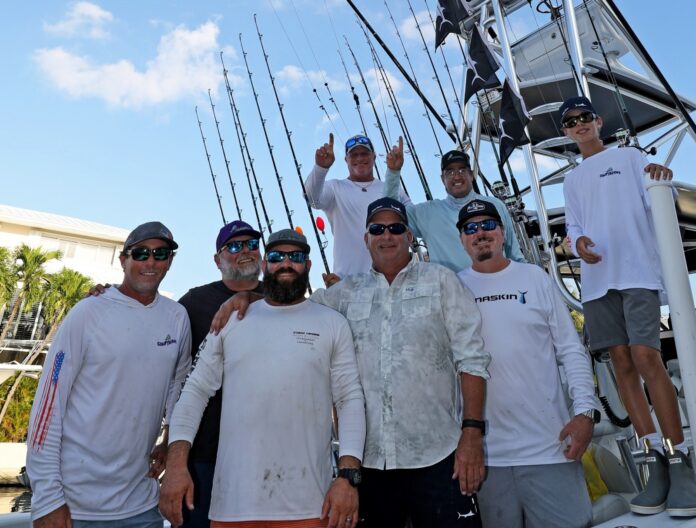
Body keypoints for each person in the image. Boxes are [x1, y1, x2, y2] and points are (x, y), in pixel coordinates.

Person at [211, 198, 490, 527]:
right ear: (366, 238)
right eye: (377, 228)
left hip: (438, 455)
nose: (387, 235)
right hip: (366, 465)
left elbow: (471, 360)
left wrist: (472, 435)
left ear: (409, 236)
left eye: (395, 228)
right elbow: (293, 304)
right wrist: (251, 297)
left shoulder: (443, 282)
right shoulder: (343, 294)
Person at [160, 229, 366, 528]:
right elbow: (195, 391)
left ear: (307, 265)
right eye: (276, 256)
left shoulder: (333, 323)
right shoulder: (230, 319)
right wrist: (177, 464)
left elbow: (349, 399)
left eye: (295, 257)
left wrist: (348, 477)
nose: (286, 263)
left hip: (310, 505)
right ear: (265, 264)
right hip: (231, 506)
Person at [561, 95, 696, 517]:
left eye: (585, 117)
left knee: (646, 357)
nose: (580, 124)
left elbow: (659, 184)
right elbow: (574, 226)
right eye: (571, 121)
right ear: (566, 131)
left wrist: (661, 173)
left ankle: (679, 460)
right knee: (620, 364)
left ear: (598, 122)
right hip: (598, 283)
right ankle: (653, 459)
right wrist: (579, 243)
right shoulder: (571, 179)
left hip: (636, 272)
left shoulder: (631, 156)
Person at [26, 221, 192, 528]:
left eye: (161, 253)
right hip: (77, 507)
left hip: (143, 505)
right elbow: (48, 407)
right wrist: (48, 498)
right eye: (141, 253)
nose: (150, 261)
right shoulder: (88, 312)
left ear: (170, 260)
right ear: (123, 260)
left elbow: (178, 390)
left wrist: (169, 441)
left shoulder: (177, 317)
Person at [457, 199, 600, 528]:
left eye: (488, 225)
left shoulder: (535, 278)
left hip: (552, 449)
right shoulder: (453, 287)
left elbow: (571, 349)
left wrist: (585, 412)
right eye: (471, 228)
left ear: (502, 232)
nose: (480, 232)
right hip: (487, 459)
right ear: (462, 239)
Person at [177, 220, 264, 527]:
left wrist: (251, 298)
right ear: (217, 259)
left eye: (252, 245)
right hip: (204, 455)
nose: (245, 252)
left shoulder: (281, 298)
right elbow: (173, 373)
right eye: (234, 246)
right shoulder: (192, 302)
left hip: (266, 459)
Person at [383, 147, 525, 272]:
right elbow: (388, 214)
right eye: (450, 172)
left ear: (471, 175)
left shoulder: (495, 205)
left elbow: (514, 253)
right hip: (450, 297)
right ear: (442, 178)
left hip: (497, 293)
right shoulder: (426, 212)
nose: (456, 176)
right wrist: (393, 172)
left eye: (462, 170)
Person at [305, 133, 409, 277]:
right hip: (347, 282)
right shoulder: (335, 187)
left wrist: (394, 172)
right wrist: (320, 168)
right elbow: (312, 199)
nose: (359, 158)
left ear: (373, 156)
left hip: (392, 280)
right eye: (354, 155)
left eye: (364, 153)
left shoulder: (394, 188)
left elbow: (413, 223)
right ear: (346, 160)